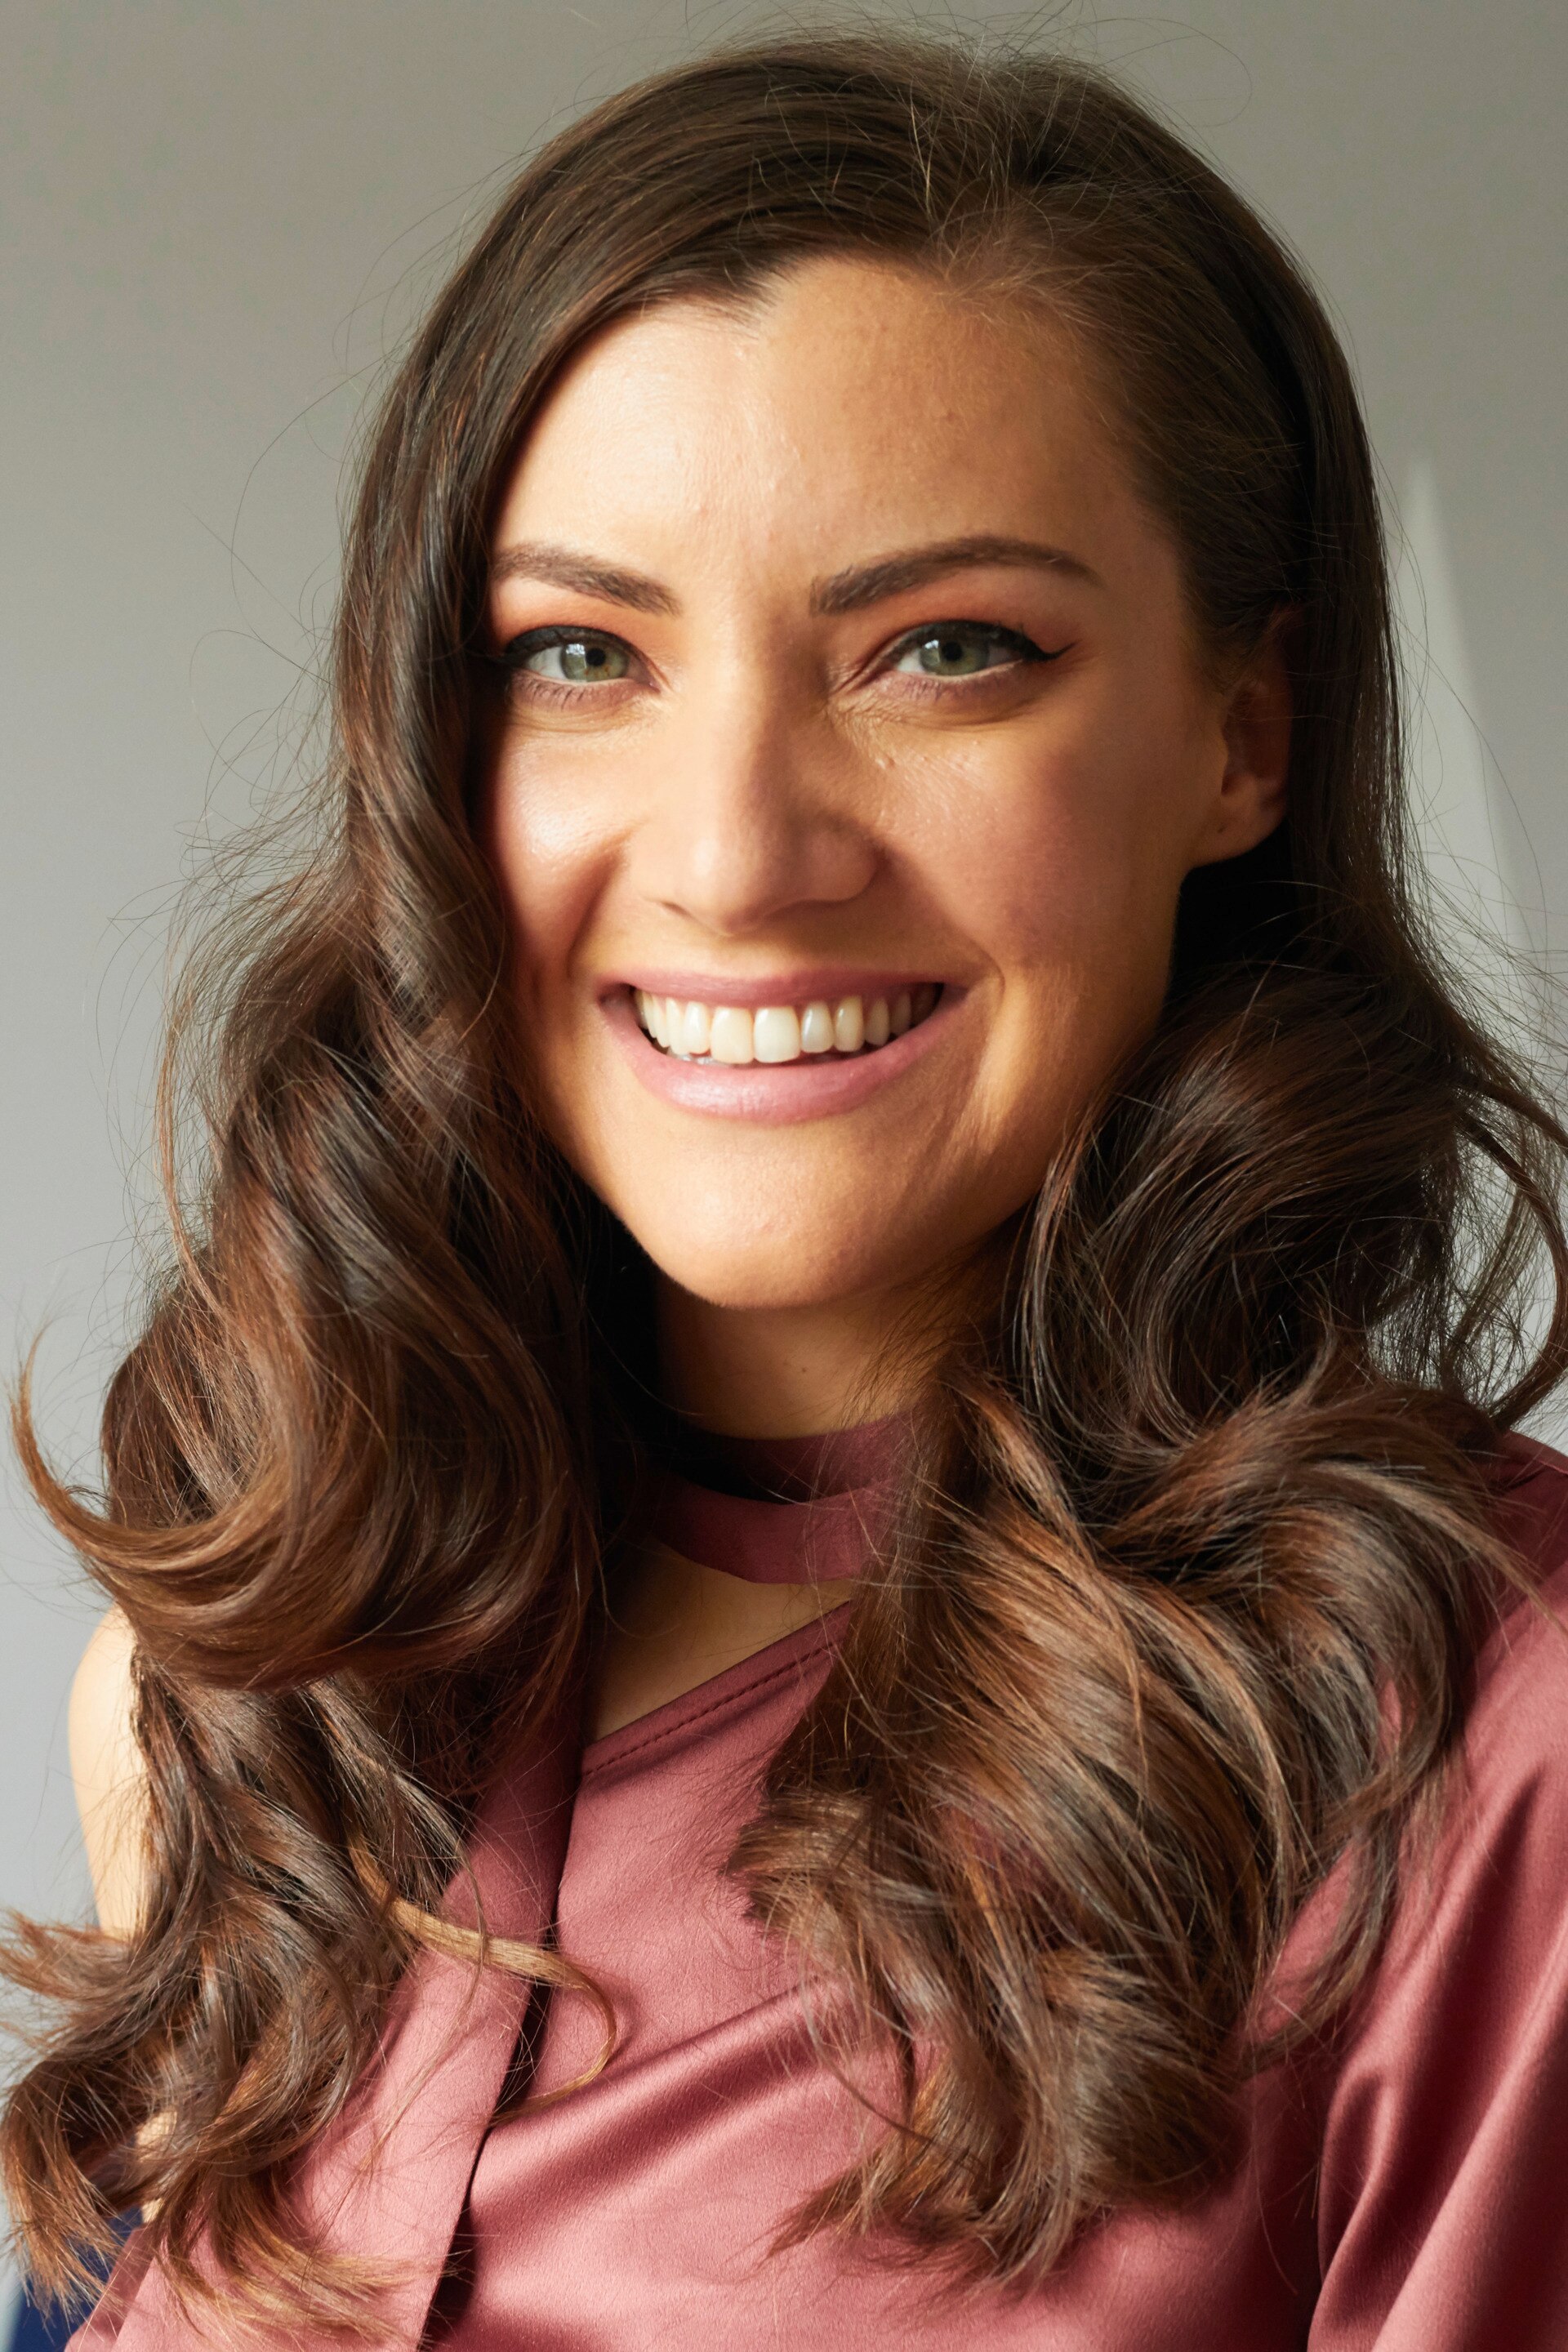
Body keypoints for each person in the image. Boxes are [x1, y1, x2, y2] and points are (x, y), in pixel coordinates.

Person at [7, 30, 1568, 2350]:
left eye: (947, 651)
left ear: (1245, 729)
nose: (738, 854)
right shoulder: (236, 1690)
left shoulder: (1498, 1755)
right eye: (581, 657)